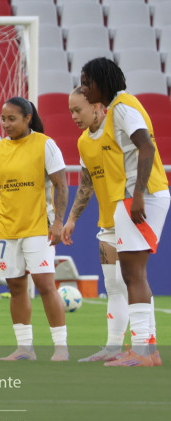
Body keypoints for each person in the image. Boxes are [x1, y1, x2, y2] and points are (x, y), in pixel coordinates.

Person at [80, 58, 169, 367]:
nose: (84, 86)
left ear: (101, 82)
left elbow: (146, 147)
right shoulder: (119, 108)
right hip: (132, 194)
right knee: (132, 272)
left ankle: (142, 351)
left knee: (132, 272)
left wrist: (140, 194)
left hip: (139, 194)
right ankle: (149, 350)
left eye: (87, 81)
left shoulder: (121, 108)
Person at [0, 97, 69, 362]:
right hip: (7, 228)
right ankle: (25, 348)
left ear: (27, 118)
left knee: (45, 284)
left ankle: (61, 347)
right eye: (3, 119)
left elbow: (61, 184)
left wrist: (58, 222)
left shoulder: (45, 144)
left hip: (37, 227)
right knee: (15, 287)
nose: (6, 124)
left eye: (12, 119)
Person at [62, 86, 129, 362]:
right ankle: (112, 349)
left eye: (78, 110)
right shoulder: (82, 142)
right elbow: (87, 182)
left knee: (133, 283)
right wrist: (72, 219)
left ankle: (144, 346)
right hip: (108, 221)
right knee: (113, 285)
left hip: (130, 216)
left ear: (97, 106)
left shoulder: (119, 128)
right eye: (70, 111)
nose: (74, 116)